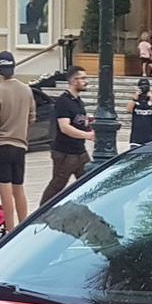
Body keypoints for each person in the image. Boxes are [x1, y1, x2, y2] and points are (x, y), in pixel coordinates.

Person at [0, 50, 34, 233]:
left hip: (1, 145)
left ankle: (10, 230)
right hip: (19, 145)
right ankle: (24, 226)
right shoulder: (26, 90)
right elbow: (32, 117)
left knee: (5, 192)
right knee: (18, 188)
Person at [43, 66, 91, 205]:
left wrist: (89, 128)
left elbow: (79, 122)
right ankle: (42, 211)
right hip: (65, 153)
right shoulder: (64, 102)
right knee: (57, 185)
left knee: (89, 182)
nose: (86, 81)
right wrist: (87, 135)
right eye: (83, 78)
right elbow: (64, 127)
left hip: (80, 151)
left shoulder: (78, 102)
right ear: (73, 81)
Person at [129, 77, 152, 146]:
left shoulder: (151, 101)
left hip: (148, 137)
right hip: (135, 138)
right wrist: (135, 98)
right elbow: (128, 109)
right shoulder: (135, 101)